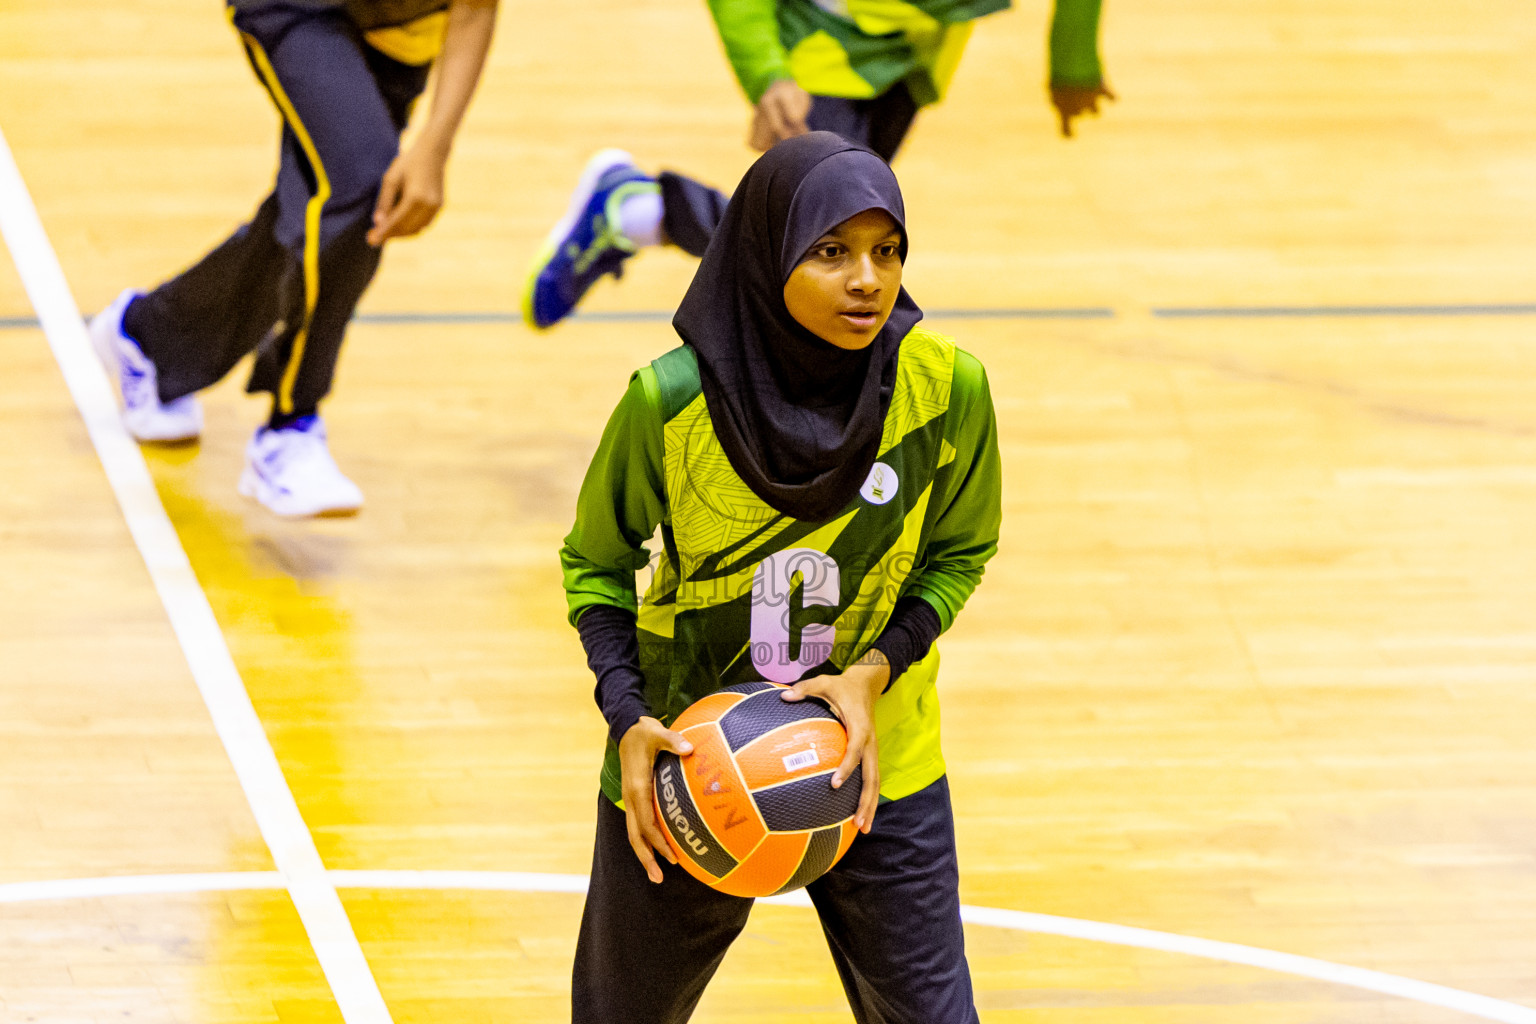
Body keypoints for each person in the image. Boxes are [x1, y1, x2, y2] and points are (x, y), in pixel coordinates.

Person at [560, 132, 1002, 1023]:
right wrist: (629, 717)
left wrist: (874, 673)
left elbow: (960, 552)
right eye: (832, 252)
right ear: (767, 255)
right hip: (688, 767)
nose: (868, 280)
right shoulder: (668, 403)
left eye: (887, 252)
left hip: (876, 763)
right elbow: (596, 567)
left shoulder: (947, 388)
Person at [89, 0, 498, 517]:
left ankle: (149, 339)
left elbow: (477, 5)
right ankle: (291, 425)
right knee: (361, 190)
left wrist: (436, 146)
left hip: (402, 34)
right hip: (294, 7)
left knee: (312, 210)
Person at [523, 0, 1109, 330]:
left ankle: (639, 211)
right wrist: (768, 73)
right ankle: (646, 211)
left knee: (828, 231)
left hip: (912, 49)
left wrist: (1073, 59)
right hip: (816, 40)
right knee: (818, 240)